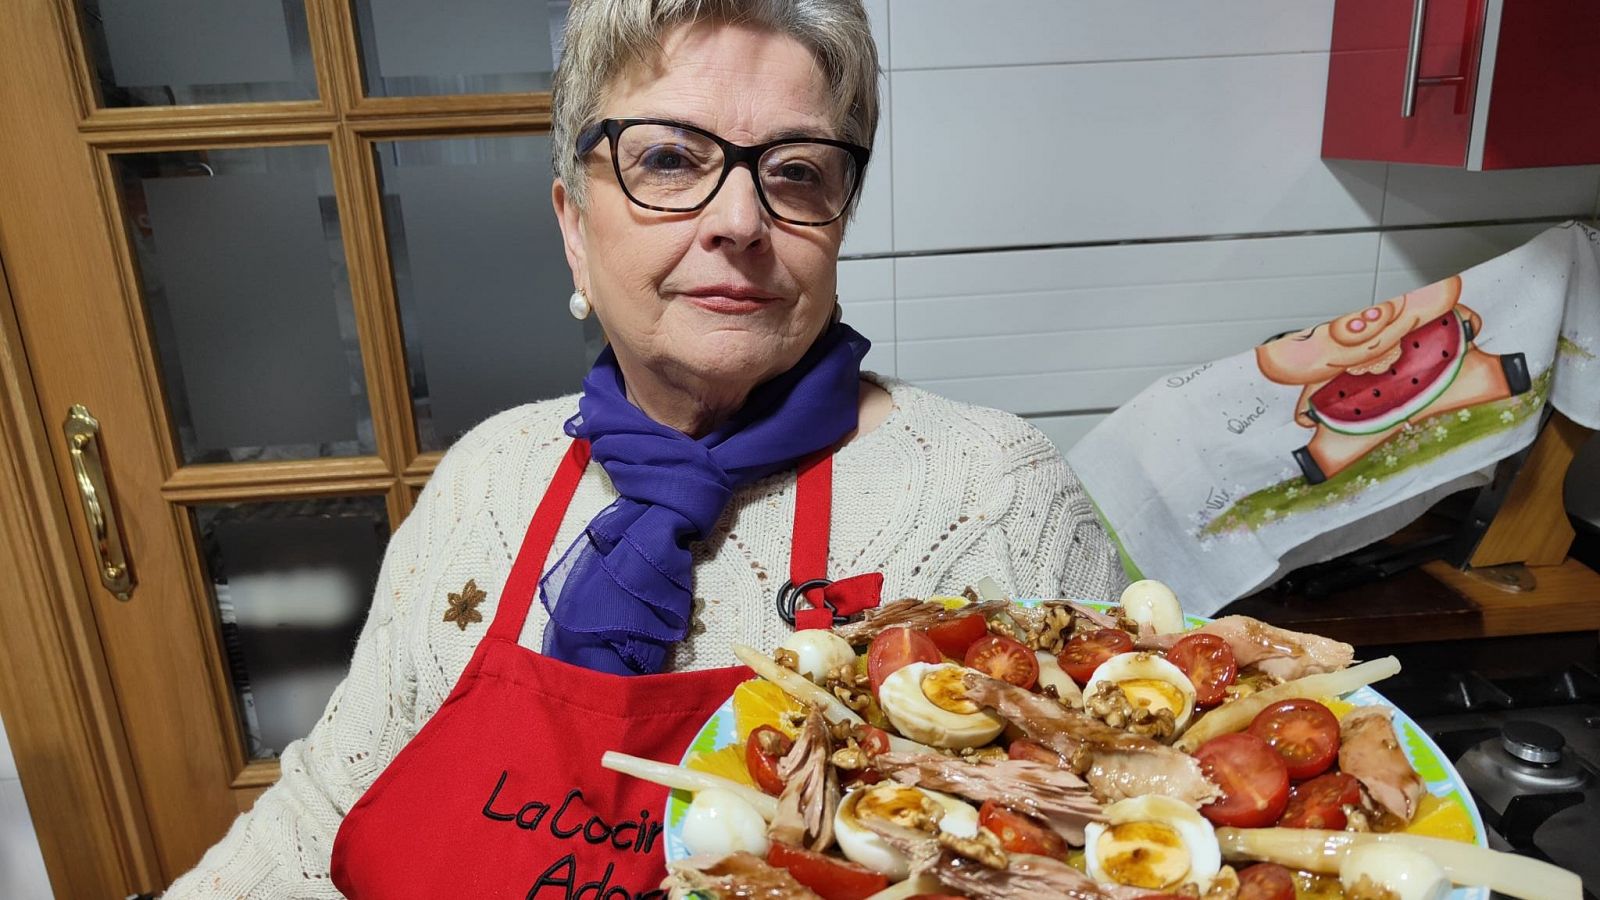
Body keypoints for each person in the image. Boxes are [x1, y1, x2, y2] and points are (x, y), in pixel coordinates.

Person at [166, 1, 1125, 896]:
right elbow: (329, 801)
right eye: (669, 160)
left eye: (796, 171)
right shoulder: (487, 477)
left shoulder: (991, 494)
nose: (740, 221)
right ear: (574, 227)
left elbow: (1112, 852)